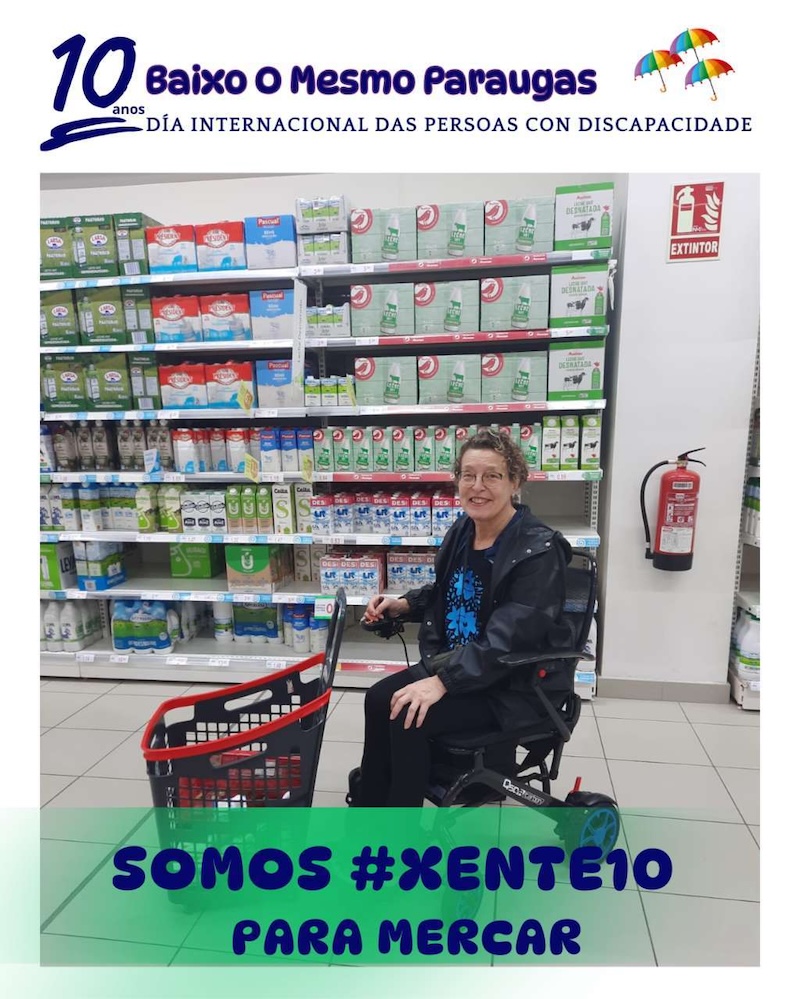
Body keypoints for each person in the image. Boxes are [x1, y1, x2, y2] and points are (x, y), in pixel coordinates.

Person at [348, 428, 574, 807]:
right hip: (459, 664)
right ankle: (371, 809)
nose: (477, 486)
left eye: (492, 476)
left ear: (515, 482)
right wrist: (404, 605)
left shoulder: (538, 550)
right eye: (468, 475)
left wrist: (443, 683)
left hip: (509, 682)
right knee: (377, 698)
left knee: (407, 713)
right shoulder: (464, 530)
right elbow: (450, 591)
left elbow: (508, 640)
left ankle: (402, 829)